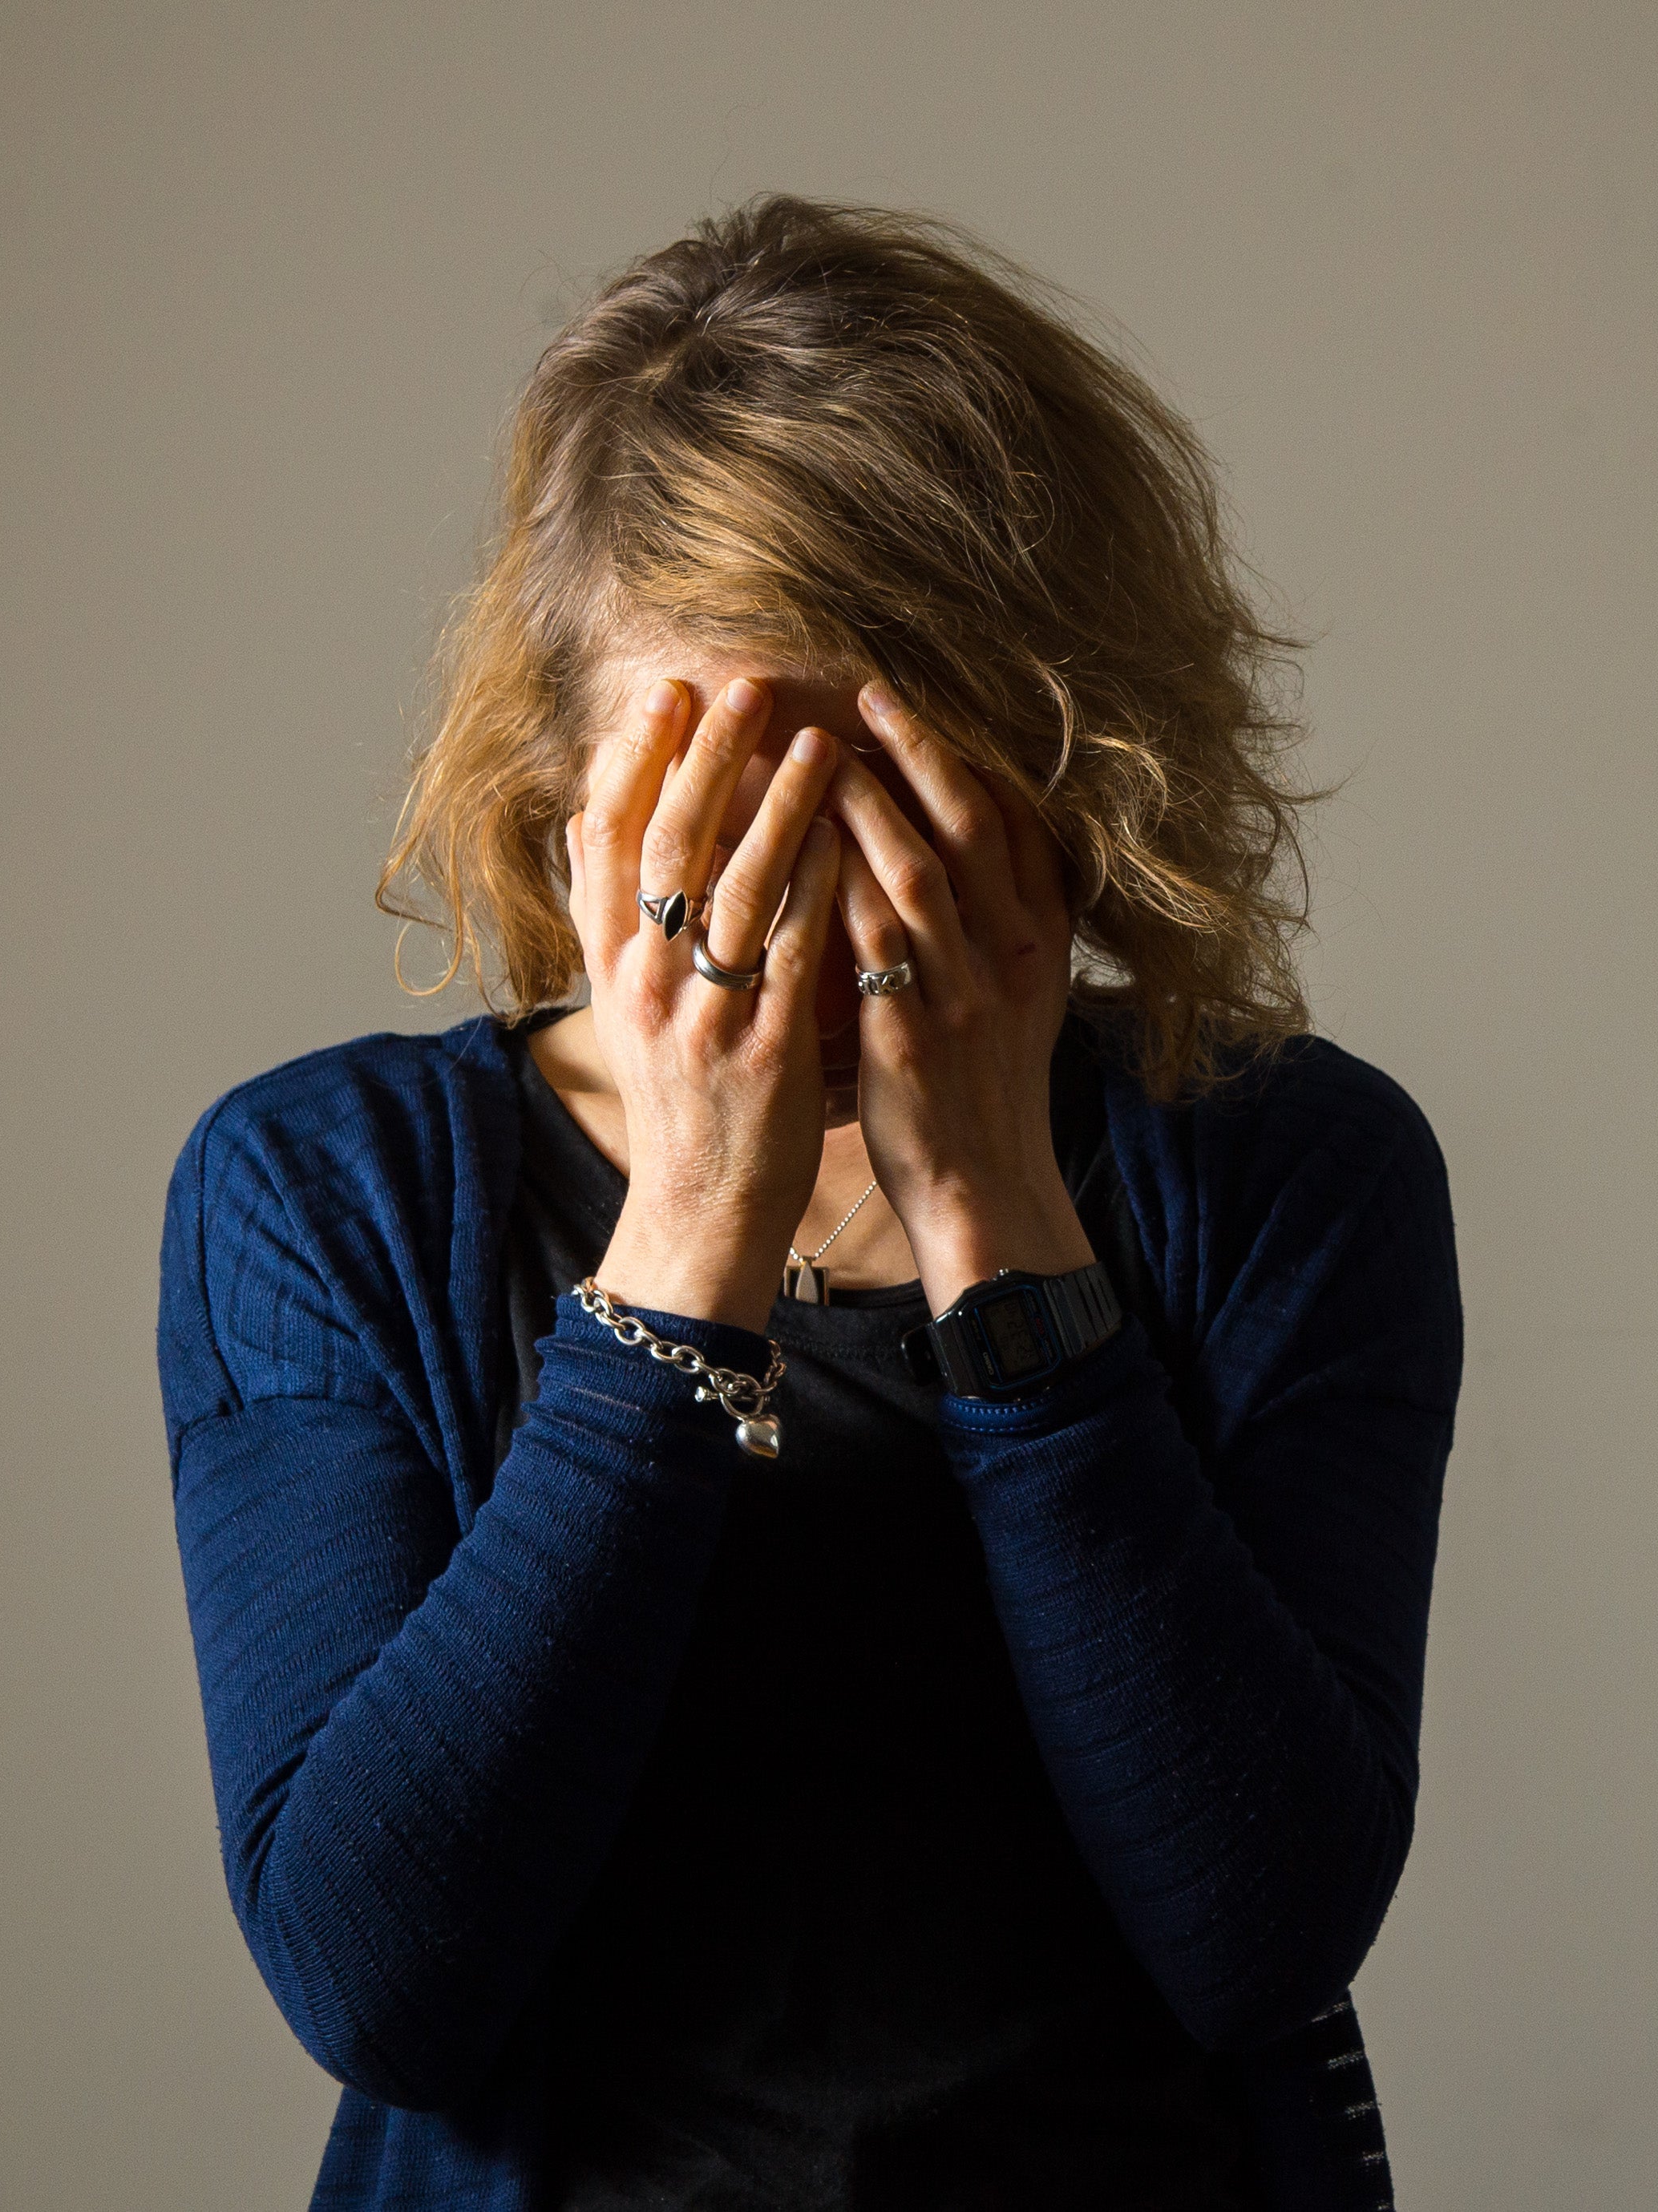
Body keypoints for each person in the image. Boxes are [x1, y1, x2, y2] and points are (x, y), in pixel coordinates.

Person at [155, 194, 1461, 2212]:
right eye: (727, 817)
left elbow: (1262, 1930)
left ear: (1054, 774)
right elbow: (381, 1980)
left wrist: (999, 1219)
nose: (820, 914)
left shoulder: (1280, 1167)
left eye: (893, 809)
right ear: (564, 795)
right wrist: (685, 1235)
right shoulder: (324, 1195)